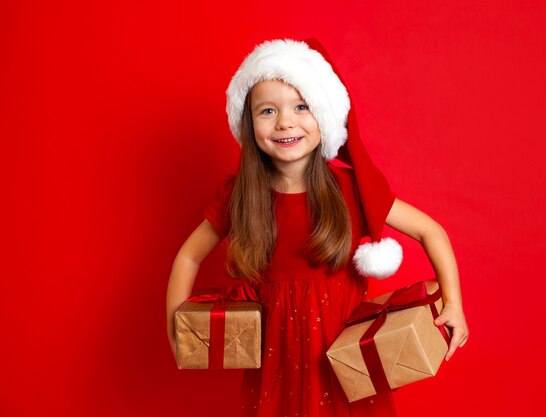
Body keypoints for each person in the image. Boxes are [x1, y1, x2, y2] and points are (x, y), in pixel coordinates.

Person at [166, 38, 469, 417]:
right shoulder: (239, 196)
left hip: (344, 358)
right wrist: (177, 323)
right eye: (267, 110)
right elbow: (189, 256)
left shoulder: (351, 189)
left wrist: (454, 304)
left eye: (301, 106)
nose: (285, 121)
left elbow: (431, 231)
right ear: (248, 123)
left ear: (323, 115)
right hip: (275, 364)